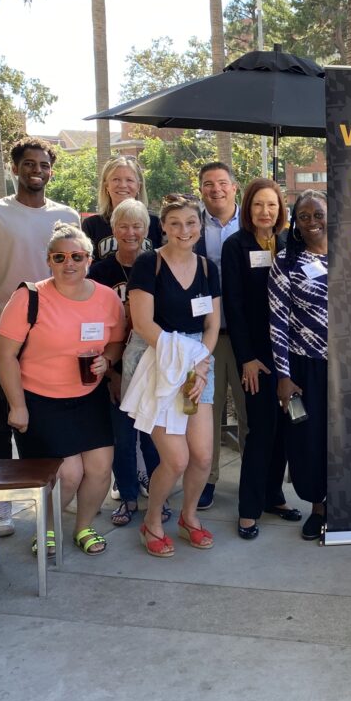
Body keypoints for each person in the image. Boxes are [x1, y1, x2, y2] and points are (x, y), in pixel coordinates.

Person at [0, 137, 79, 536]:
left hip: (56, 337)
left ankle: (55, 493)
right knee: (0, 420)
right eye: (29, 163)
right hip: (6, 336)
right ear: (15, 169)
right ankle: (0, 502)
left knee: (47, 419)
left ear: (51, 169)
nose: (37, 170)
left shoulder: (66, 215)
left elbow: (75, 271)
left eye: (44, 164)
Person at [0, 222, 124, 557]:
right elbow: (4, 354)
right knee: (69, 473)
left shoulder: (107, 298)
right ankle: (46, 527)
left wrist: (106, 362)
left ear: (89, 260)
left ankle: (83, 527)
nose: (69, 263)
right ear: (48, 260)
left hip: (87, 397)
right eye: (60, 256)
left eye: (77, 256)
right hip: (40, 400)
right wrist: (17, 406)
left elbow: (116, 342)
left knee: (99, 469)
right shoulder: (29, 297)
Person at [126, 193, 221, 556]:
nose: (185, 230)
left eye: (192, 222)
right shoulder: (148, 264)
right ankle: (152, 521)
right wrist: (187, 359)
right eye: (176, 223)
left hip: (199, 362)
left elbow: (212, 324)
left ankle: (188, 517)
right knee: (176, 459)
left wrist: (201, 360)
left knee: (202, 456)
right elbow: (143, 324)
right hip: (159, 361)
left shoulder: (209, 267)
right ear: (163, 226)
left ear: (200, 225)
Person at [222, 178, 302, 539]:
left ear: (281, 209)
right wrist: (247, 359)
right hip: (258, 357)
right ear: (247, 208)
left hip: (290, 354)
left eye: (271, 205)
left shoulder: (290, 244)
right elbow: (234, 307)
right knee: (260, 430)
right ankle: (249, 509)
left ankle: (274, 497)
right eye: (258, 205)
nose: (265, 212)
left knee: (287, 428)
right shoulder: (235, 247)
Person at [87, 198, 164, 528]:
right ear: (113, 230)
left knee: (151, 435)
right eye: (123, 226)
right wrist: (112, 372)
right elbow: (93, 323)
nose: (130, 233)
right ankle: (129, 496)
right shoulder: (101, 272)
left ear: (147, 230)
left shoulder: (157, 266)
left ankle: (156, 500)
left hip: (153, 361)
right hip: (116, 362)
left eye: (137, 226)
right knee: (122, 435)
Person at [269, 191, 330, 542]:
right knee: (309, 439)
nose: (311, 222)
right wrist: (284, 376)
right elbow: (277, 322)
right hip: (306, 367)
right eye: (303, 216)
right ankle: (318, 508)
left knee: (347, 438)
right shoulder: (286, 262)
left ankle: (350, 503)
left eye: (317, 214)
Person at [194, 161, 246, 509]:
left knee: (249, 414)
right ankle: (207, 479)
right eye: (209, 184)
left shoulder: (255, 222)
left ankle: (253, 480)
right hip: (203, 337)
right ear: (201, 190)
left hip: (247, 339)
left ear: (234, 187)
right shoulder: (191, 225)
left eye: (222, 183)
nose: (216, 189)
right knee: (205, 415)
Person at [81, 156, 165, 261]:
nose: (123, 185)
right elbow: (85, 266)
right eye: (116, 179)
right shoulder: (92, 225)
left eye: (129, 180)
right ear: (106, 186)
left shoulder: (155, 223)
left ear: (138, 186)